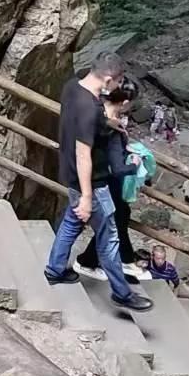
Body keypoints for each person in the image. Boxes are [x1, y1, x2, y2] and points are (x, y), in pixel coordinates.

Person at [44, 53, 153, 312]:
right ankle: (122, 293)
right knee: (110, 237)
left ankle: (55, 268)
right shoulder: (90, 109)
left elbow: (81, 126)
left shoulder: (72, 87)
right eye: (117, 82)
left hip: (68, 172)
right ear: (107, 79)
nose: (117, 87)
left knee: (72, 222)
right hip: (91, 183)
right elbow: (84, 155)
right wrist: (87, 196)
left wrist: (108, 122)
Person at [75, 79, 145, 282]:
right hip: (104, 179)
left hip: (94, 175)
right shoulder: (111, 125)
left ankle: (98, 260)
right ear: (124, 102)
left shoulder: (99, 114)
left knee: (114, 219)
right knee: (113, 220)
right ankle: (121, 261)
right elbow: (118, 169)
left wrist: (124, 149)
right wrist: (135, 163)